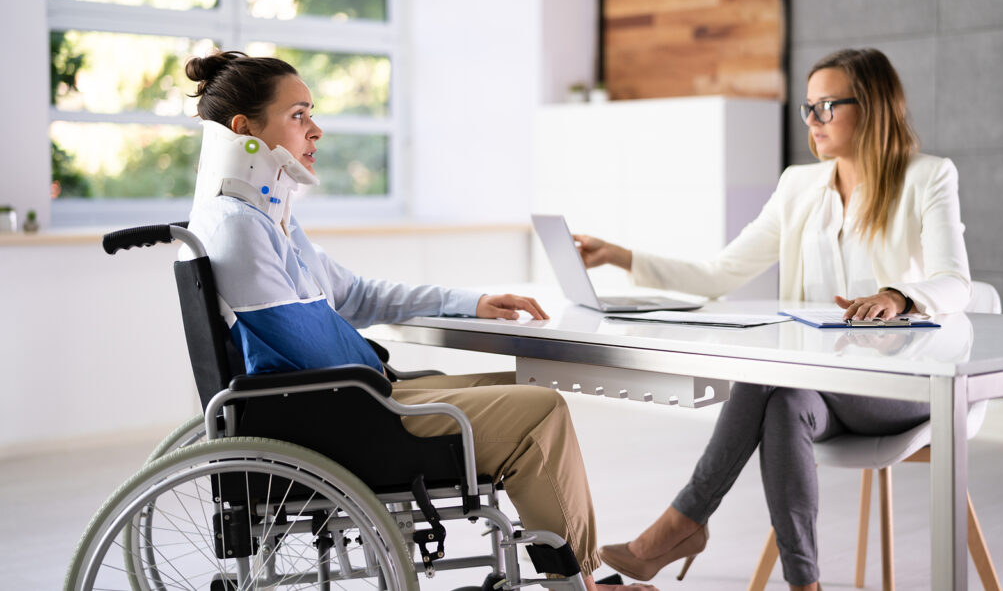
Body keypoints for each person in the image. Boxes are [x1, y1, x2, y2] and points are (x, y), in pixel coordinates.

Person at [184, 49, 652, 591]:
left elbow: (355, 293)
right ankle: (579, 585)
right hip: (345, 414)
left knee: (527, 389)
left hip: (349, 399)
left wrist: (468, 301)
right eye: (299, 115)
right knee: (540, 412)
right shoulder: (240, 227)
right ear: (244, 131)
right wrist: (385, 378)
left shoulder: (262, 218)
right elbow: (303, 349)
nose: (316, 131)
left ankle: (580, 576)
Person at [574, 48, 971, 590]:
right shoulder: (798, 186)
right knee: (785, 401)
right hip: (817, 384)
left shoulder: (927, 177)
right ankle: (803, 585)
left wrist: (898, 295)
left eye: (827, 106)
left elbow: (956, 283)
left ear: (874, 107)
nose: (812, 120)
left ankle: (681, 524)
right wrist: (620, 256)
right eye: (808, 107)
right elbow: (720, 273)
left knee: (772, 374)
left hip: (901, 386)